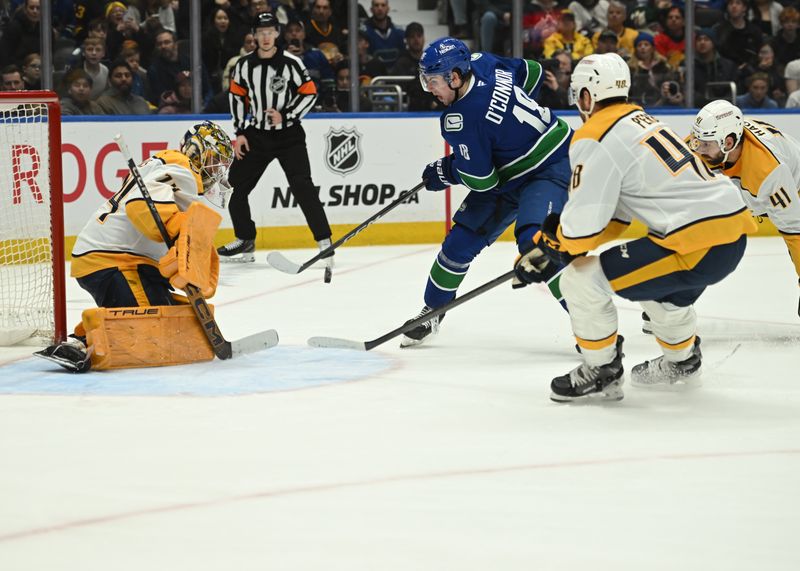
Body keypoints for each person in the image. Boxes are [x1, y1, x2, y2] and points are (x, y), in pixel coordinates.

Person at [523, 53, 756, 402]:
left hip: (694, 243)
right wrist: (557, 244)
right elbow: (615, 217)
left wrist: (553, 249)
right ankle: (683, 360)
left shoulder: (595, 134)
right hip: (729, 237)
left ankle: (602, 369)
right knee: (657, 289)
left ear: (587, 96)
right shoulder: (640, 120)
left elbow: (585, 224)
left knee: (581, 279)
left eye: (578, 95)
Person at [401, 37, 573, 348]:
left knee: (536, 245)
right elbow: (531, 71)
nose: (430, 89)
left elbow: (482, 181)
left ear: (455, 77)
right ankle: (433, 310)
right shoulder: (482, 61)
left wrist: (446, 170)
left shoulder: (460, 120)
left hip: (549, 164)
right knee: (457, 246)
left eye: (433, 81)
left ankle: (592, 325)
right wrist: (510, 126)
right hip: (508, 172)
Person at [35, 121, 234, 372]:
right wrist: (175, 229)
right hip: (113, 259)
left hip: (128, 260)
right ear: (197, 151)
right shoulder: (183, 169)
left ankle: (81, 339)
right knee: (149, 327)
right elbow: (141, 205)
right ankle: (84, 344)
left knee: (165, 314)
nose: (217, 171)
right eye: (215, 161)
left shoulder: (166, 166)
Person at [220, 12, 333, 267]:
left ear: (277, 33)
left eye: (270, 31)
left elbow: (309, 92)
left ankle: (325, 243)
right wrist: (239, 133)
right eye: (261, 32)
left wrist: (286, 115)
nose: (266, 36)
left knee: (302, 186)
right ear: (254, 35)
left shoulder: (291, 62)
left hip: (289, 135)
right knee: (236, 186)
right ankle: (245, 239)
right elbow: (236, 97)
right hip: (256, 136)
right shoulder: (244, 65)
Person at [690, 100, 800, 317]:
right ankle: (676, 299)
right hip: (748, 188)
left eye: (705, 144)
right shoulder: (709, 140)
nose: (697, 149)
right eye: (696, 142)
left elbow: (795, 231)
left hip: (792, 189)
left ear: (728, 143)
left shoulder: (768, 171)